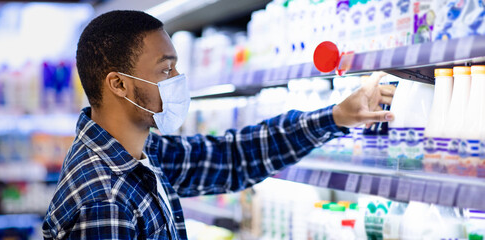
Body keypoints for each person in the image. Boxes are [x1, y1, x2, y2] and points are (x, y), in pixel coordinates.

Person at [42, 10, 395, 239]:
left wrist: (335, 116)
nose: (179, 79)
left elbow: (233, 156)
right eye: (166, 70)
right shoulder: (105, 199)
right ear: (118, 84)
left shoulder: (139, 154)